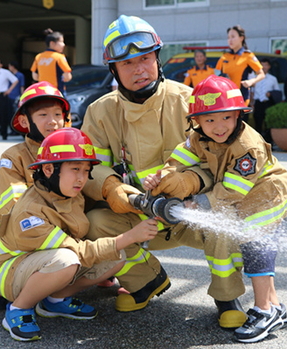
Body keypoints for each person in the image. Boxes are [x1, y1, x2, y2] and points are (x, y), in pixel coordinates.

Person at [81, 14, 248, 329]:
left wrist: (190, 181)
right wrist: (111, 189)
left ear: (157, 59)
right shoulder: (100, 112)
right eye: (128, 64)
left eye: (145, 58)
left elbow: (226, 161)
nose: (139, 69)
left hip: (191, 212)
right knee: (96, 222)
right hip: (138, 215)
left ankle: (228, 298)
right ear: (113, 70)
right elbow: (90, 168)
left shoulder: (189, 101)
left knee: (227, 217)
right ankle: (145, 282)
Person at [145, 75, 287, 343]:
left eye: (226, 117)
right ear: (197, 122)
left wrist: (198, 204)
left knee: (254, 243)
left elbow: (233, 190)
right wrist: (162, 176)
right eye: (209, 120)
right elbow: (177, 161)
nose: (219, 126)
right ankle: (276, 307)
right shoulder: (197, 137)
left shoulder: (247, 145)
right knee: (251, 244)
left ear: (237, 113)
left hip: (266, 193)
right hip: (241, 193)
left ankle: (265, 310)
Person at [0, 127, 158, 342]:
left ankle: (55, 300)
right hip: (8, 271)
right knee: (67, 260)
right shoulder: (30, 211)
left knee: (115, 257)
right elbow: (75, 250)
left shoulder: (68, 193)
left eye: (86, 170)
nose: (82, 178)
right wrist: (130, 236)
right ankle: (18, 308)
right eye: (75, 169)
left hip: (44, 265)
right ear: (49, 169)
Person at [0, 81, 69, 310]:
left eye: (58, 114)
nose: (53, 121)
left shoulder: (72, 152)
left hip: (54, 229)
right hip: (5, 233)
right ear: (25, 121)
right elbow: (13, 209)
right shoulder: (12, 157)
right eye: (43, 114)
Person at [215, 25, 265, 106]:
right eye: (228, 37)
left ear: (241, 38)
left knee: (238, 118)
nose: (230, 40)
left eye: (233, 37)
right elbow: (215, 75)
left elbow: (261, 74)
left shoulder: (248, 55)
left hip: (241, 97)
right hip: (224, 98)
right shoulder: (224, 57)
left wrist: (251, 81)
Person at [31, 29, 72, 94]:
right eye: (61, 42)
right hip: (57, 91)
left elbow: (35, 77)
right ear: (52, 43)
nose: (63, 44)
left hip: (42, 91)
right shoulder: (59, 57)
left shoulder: (38, 57)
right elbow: (68, 77)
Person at [252, 58, 281, 145]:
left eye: (266, 65)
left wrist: (271, 94)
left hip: (268, 102)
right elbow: (251, 91)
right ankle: (258, 143)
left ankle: (268, 143)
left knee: (268, 123)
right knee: (258, 122)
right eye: (262, 65)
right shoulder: (254, 78)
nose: (264, 67)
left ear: (269, 66)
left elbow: (277, 91)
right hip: (258, 102)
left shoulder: (273, 79)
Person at [7, 61, 25, 135]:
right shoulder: (9, 75)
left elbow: (22, 86)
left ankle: (16, 130)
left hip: (16, 96)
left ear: (12, 66)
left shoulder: (20, 75)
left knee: (15, 114)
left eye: (9, 66)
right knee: (10, 114)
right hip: (9, 96)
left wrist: (22, 96)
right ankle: (12, 130)